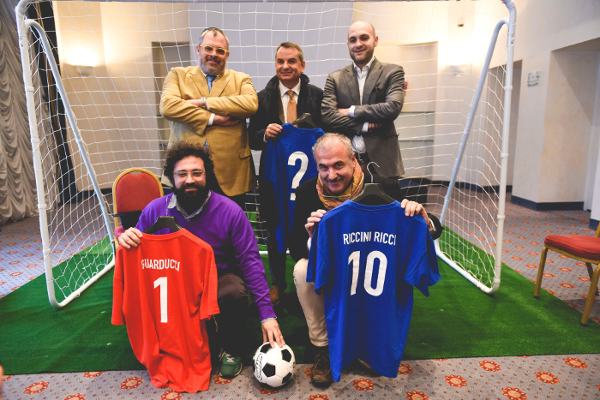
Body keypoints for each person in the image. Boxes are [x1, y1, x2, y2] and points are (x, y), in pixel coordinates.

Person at [117, 141, 284, 379]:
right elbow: (137, 248)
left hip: (218, 280)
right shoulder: (155, 210)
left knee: (234, 292)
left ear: (207, 175)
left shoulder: (230, 212)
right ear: (171, 178)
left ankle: (231, 347)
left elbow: (251, 262)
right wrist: (127, 237)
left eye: (197, 173)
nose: (190, 180)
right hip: (175, 283)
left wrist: (267, 315)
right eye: (182, 174)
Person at [289, 133, 428, 388]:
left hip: (369, 269)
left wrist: (422, 217)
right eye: (323, 167)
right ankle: (323, 347)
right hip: (334, 268)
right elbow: (295, 246)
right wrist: (314, 239)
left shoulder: (384, 187)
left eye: (338, 165)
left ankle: (371, 341)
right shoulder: (308, 191)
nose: (331, 175)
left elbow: (428, 229)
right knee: (301, 269)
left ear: (354, 161)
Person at [248, 42, 323, 305]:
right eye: (280, 61)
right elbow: (251, 138)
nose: (285, 66)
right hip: (274, 179)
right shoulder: (262, 97)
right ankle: (278, 283)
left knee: (307, 227)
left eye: (291, 61)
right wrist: (264, 134)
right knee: (274, 228)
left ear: (302, 65)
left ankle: (308, 281)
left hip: (308, 179)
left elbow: (327, 133)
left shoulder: (317, 96)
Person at [160, 27, 258, 204]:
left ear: (227, 54)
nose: (214, 54)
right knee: (185, 219)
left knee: (229, 221)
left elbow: (250, 104)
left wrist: (204, 102)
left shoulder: (241, 79)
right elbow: (168, 107)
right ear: (198, 49)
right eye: (208, 48)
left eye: (220, 51)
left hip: (231, 174)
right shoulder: (177, 75)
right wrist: (213, 119)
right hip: (185, 172)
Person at [321, 21, 405, 179]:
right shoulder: (335, 78)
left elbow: (392, 107)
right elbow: (327, 115)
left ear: (376, 40)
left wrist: (351, 111)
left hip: (384, 162)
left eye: (364, 38)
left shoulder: (393, 72)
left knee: (385, 197)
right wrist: (364, 125)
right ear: (348, 44)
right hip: (345, 164)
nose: (358, 44)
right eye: (353, 40)